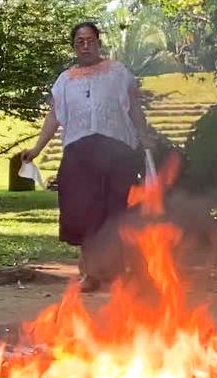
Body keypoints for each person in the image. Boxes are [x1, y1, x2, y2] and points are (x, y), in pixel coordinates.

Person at [22, 22, 158, 290]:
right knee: (84, 213)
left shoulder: (118, 73)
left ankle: (120, 273)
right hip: (79, 154)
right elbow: (54, 117)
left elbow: (134, 108)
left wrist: (144, 136)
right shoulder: (64, 81)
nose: (85, 46)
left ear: (98, 42)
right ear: (74, 47)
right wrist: (37, 148)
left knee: (117, 212)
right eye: (79, 42)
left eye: (90, 40)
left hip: (117, 152)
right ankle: (91, 274)